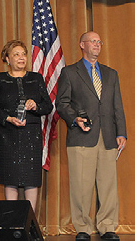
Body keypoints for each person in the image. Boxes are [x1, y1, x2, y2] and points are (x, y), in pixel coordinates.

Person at [56, 31, 126, 241]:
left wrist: (121, 132)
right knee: (81, 184)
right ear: (82, 45)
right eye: (93, 41)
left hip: (108, 136)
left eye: (99, 42)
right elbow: (62, 103)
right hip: (82, 136)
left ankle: (107, 227)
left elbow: (117, 106)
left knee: (108, 185)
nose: (97, 44)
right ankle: (83, 228)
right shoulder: (69, 72)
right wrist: (75, 118)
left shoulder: (111, 73)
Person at [0, 40, 52, 212]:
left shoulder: (36, 79)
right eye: (16, 54)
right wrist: (7, 118)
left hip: (31, 135)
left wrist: (35, 105)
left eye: (23, 54)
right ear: (7, 59)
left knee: (31, 180)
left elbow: (48, 106)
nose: (21, 58)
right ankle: (13, 222)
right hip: (7, 135)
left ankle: (30, 224)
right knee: (10, 179)